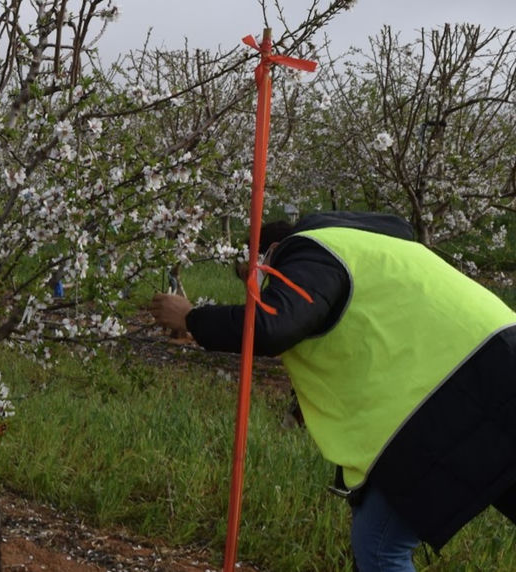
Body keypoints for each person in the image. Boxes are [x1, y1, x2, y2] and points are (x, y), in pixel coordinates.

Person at [150, 211, 516, 572]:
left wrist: (192, 317)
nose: (258, 291)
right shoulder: (370, 245)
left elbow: (273, 326)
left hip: (460, 395)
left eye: (254, 277)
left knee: (379, 546)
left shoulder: (311, 250)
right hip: (493, 366)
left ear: (271, 251)